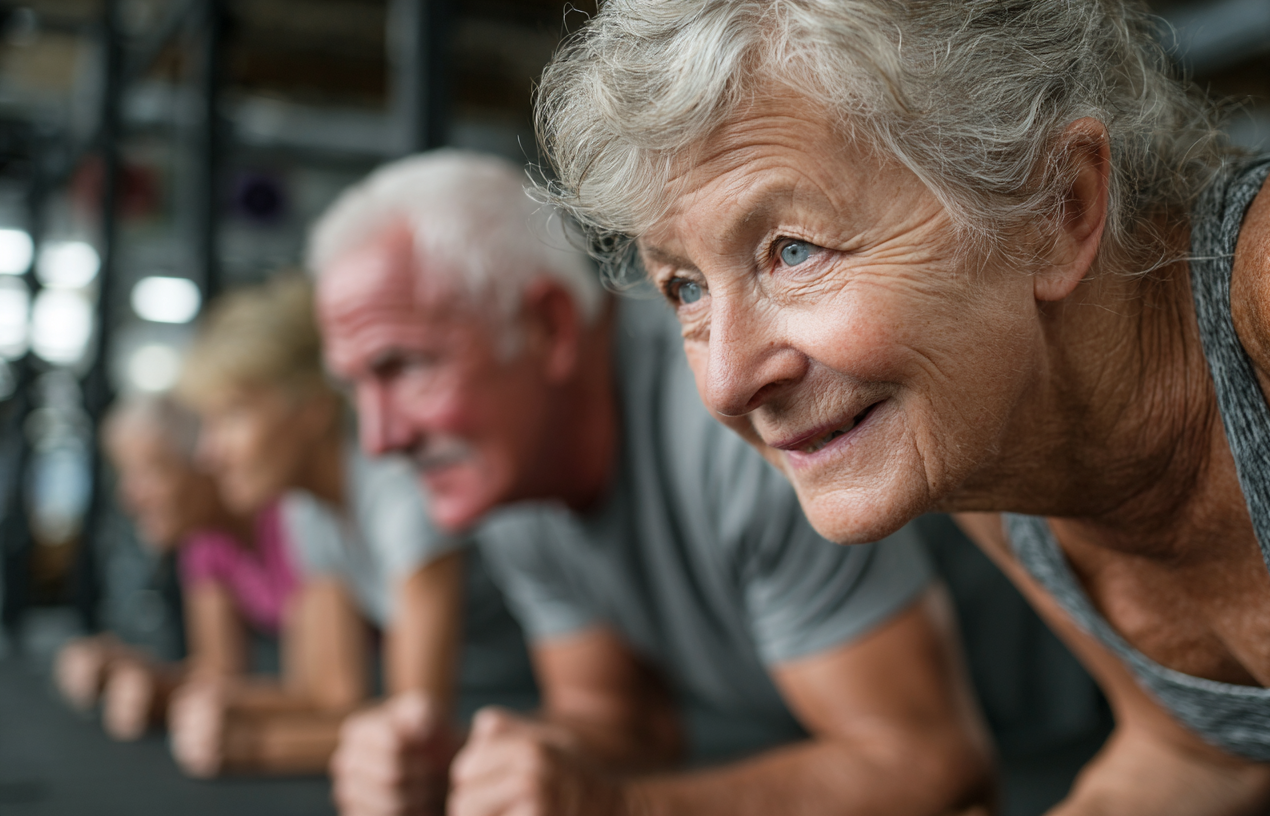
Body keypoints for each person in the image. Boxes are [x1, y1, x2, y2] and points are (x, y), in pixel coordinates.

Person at [533, 1, 1270, 814]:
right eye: (685, 287)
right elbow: (1195, 745)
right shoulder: (988, 453)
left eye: (795, 250)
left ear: (1058, 205)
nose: (727, 382)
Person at [311, 151, 999, 816]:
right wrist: (468, 773)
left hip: (1056, 746)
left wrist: (623, 808)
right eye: (356, 388)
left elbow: (930, 767)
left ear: (548, 327)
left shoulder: (734, 423)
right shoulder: (510, 473)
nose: (379, 440)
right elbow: (619, 721)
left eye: (403, 367)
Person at [173, 274, 531, 778]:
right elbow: (329, 694)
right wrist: (225, 708)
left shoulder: (399, 486)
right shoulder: (309, 509)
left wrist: (253, 745)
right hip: (478, 722)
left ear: (315, 409)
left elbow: (414, 735)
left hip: (534, 721)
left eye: (232, 417)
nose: (209, 454)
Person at [54, 394, 298, 744]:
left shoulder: (290, 520)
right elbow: (223, 673)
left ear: (204, 458)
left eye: (149, 471)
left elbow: (324, 690)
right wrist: (142, 676)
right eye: (126, 475)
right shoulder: (204, 542)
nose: (128, 496)